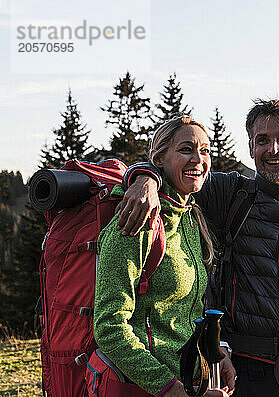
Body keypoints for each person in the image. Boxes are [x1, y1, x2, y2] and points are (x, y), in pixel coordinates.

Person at [118, 99, 279, 396]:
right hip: (243, 373)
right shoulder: (230, 193)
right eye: (263, 140)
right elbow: (178, 169)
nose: (273, 149)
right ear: (251, 148)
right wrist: (143, 179)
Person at [90, 116, 235, 397]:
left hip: (192, 381)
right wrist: (171, 390)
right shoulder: (137, 220)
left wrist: (216, 353)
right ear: (159, 159)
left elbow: (184, 314)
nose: (198, 159)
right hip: (147, 387)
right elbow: (109, 328)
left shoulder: (190, 217)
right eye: (186, 149)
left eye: (205, 150)